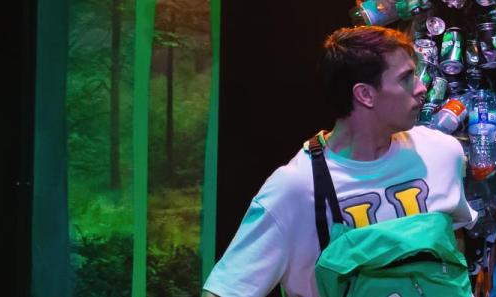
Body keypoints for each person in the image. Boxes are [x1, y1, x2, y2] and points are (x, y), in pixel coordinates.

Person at [203, 26, 475, 297]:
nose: (420, 87)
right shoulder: (296, 187)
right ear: (365, 94)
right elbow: (226, 290)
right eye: (406, 78)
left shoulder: (442, 153)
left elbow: (453, 249)